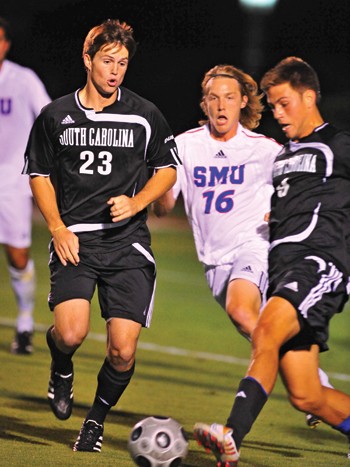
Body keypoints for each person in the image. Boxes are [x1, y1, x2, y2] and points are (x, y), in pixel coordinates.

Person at [23, 19, 180, 452]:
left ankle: (94, 423)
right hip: (76, 239)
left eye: (123, 63)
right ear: (87, 58)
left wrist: (138, 201)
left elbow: (167, 169)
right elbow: (38, 174)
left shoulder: (144, 114)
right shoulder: (55, 115)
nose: (115, 71)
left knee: (122, 351)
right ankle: (61, 368)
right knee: (70, 334)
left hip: (127, 244)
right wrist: (57, 228)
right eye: (108, 61)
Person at [154, 63, 330, 431]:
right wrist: (153, 184)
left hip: (255, 247)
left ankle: (242, 426)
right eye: (214, 98)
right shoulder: (184, 146)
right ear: (204, 104)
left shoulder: (264, 149)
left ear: (242, 102)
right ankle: (318, 389)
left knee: (242, 311)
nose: (221, 105)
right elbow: (165, 205)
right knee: (260, 329)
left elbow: (298, 182)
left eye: (229, 98)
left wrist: (280, 212)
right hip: (213, 261)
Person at [193, 57, 350, 466]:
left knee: (263, 329)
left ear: (308, 96)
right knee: (305, 394)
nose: (276, 114)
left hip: (320, 263)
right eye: (273, 106)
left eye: (284, 104)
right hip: (287, 269)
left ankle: (231, 435)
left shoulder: (338, 144)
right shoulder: (282, 158)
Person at [0, 17, 51, 354]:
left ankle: (25, 321)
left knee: (17, 255)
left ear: (6, 43)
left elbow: (48, 118)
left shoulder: (23, 79)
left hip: (11, 181)